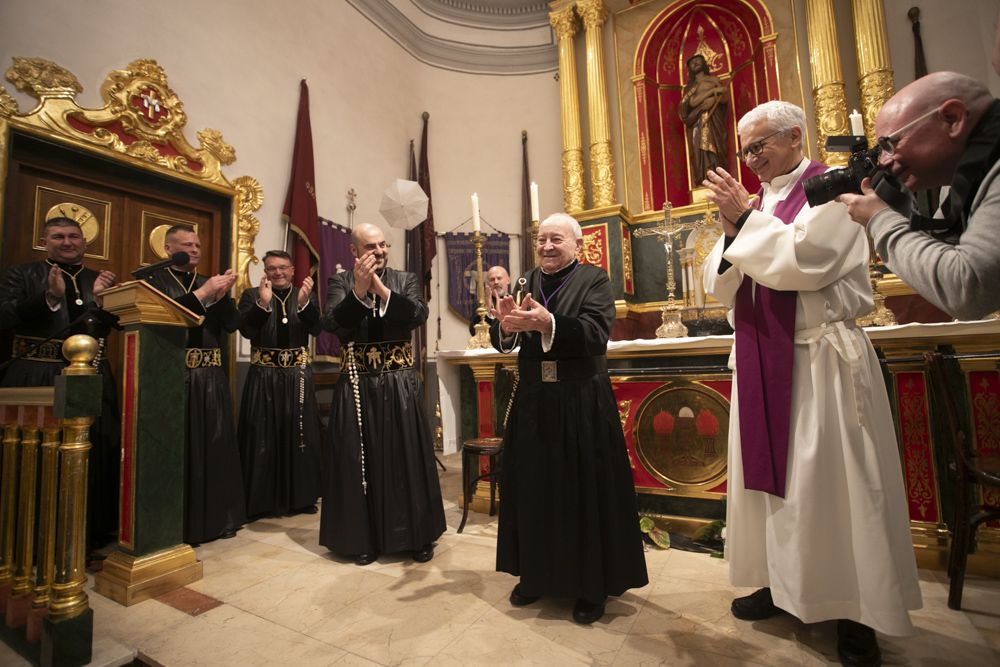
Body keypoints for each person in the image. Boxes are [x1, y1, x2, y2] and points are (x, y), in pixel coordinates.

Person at [701, 100, 921, 667]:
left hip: (819, 358)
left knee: (838, 487)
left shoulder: (833, 186)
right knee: (776, 486)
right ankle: (780, 582)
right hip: (760, 355)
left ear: (795, 137)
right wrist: (735, 226)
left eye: (759, 147)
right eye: (745, 150)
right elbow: (720, 284)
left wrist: (743, 224)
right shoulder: (761, 201)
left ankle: (856, 609)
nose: (750, 160)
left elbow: (805, 259)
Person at [491, 213, 648, 625]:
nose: (545, 246)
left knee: (582, 491)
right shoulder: (525, 281)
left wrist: (549, 323)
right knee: (533, 488)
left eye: (555, 239)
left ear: (576, 244)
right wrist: (504, 325)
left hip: (580, 400)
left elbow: (596, 333)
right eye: (541, 239)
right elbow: (507, 340)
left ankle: (589, 586)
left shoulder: (594, 280)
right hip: (534, 402)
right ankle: (535, 575)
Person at [319, 222, 445, 565]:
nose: (380, 251)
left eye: (383, 244)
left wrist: (382, 291)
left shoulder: (405, 279)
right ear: (354, 250)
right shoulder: (339, 282)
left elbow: (418, 313)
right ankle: (361, 538)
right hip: (357, 381)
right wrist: (359, 292)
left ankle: (416, 536)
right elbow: (332, 324)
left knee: (405, 456)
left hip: (398, 380)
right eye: (371, 246)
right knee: (357, 459)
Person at [0, 216, 120, 556]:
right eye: (58, 237)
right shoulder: (21, 274)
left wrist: (102, 301)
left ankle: (87, 536)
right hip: (35, 376)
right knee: (35, 458)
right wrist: (49, 298)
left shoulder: (99, 279)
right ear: (44, 241)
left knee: (91, 456)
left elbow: (114, 327)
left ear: (84, 241)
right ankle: (30, 542)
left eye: (73, 236)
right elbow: (4, 316)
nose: (67, 242)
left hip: (91, 377)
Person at [838, 71, 1000, 321]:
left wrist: (879, 219)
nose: (884, 162)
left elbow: (966, 289)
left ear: (952, 118)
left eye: (890, 144)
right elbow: (939, 259)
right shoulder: (966, 177)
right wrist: (897, 210)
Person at [145, 225, 246, 544]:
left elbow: (232, 326)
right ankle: (179, 522)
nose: (194, 249)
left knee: (214, 447)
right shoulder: (151, 281)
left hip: (211, 378)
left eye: (198, 245)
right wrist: (204, 296)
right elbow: (164, 318)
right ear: (168, 249)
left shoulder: (208, 282)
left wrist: (222, 297)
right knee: (179, 449)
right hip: (172, 376)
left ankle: (219, 518)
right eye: (186, 245)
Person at [237, 250, 322, 519]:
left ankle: (302, 498)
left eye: (283, 267)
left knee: (300, 434)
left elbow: (318, 329)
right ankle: (261, 501)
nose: (278, 273)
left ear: (292, 269)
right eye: (272, 268)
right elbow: (247, 331)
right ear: (265, 270)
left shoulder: (304, 294)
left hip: (297, 374)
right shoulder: (251, 295)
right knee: (263, 435)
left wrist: (306, 304)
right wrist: (262, 305)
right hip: (264, 376)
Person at [679, 54, 729, 185]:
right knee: (699, 151)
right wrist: (712, 93)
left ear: (704, 64)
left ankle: (719, 179)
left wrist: (715, 98)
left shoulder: (713, 80)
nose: (695, 63)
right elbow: (693, 102)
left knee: (715, 147)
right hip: (697, 121)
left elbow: (724, 99)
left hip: (713, 120)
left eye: (698, 61)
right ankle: (703, 180)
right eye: (692, 62)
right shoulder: (690, 87)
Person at [468, 264, 511, 335]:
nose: (496, 282)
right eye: (492, 279)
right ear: (487, 284)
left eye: (499, 278)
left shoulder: (517, 301)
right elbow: (473, 331)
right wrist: (487, 308)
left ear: (508, 280)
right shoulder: (480, 305)